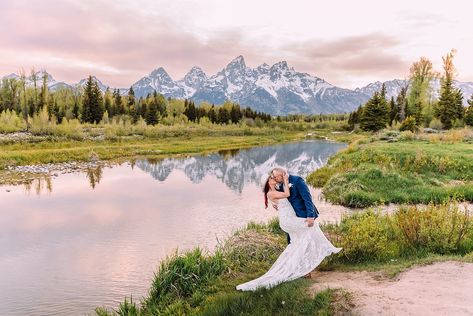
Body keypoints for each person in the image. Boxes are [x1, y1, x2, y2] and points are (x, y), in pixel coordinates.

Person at [236, 169, 341, 291]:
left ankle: (302, 267)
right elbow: (286, 195)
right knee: (309, 232)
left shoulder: (293, 182)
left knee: (297, 244)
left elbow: (306, 198)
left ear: (281, 174)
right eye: (272, 178)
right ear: (268, 183)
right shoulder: (275, 190)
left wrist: (309, 215)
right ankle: (317, 255)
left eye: (274, 177)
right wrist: (285, 183)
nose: (274, 179)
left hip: (291, 218)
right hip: (289, 220)